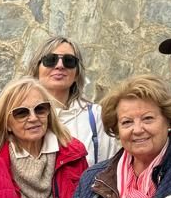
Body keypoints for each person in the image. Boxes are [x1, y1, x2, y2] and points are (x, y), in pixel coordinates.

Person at [26, 36, 116, 164]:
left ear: (77, 73)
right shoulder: (20, 115)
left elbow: (108, 171)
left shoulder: (96, 117)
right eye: (50, 60)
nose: (60, 66)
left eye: (69, 61)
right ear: (36, 69)